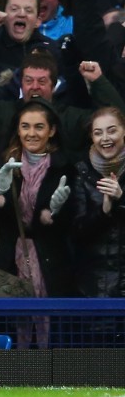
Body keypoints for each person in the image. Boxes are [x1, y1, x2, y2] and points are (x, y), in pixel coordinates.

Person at [0, 100, 76, 348]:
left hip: (50, 261)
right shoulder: (0, 161)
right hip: (3, 256)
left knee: (55, 327)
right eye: (25, 126)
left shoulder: (65, 166)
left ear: (52, 130)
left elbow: (72, 221)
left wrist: (54, 213)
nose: (31, 133)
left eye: (38, 127)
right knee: (3, 324)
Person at [70, 107, 125, 298]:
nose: (105, 138)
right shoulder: (81, 172)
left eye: (112, 130)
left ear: (123, 131)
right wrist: (104, 211)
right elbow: (77, 232)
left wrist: (121, 199)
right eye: (98, 133)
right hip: (95, 284)